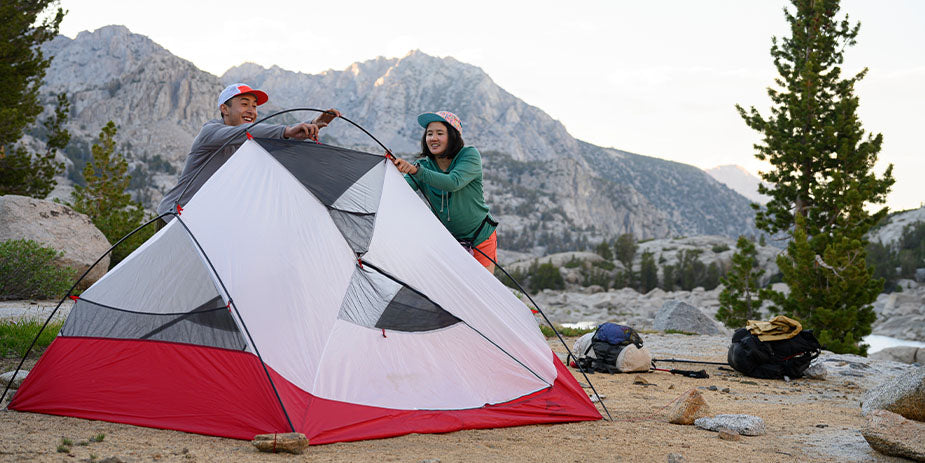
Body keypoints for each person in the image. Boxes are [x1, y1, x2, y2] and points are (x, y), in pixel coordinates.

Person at [156, 83, 340, 221]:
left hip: (204, 223)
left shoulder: (250, 139)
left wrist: (313, 124)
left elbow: (277, 140)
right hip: (174, 217)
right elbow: (247, 133)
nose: (251, 110)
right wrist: (286, 130)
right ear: (224, 109)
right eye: (244, 104)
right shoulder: (210, 132)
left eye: (254, 106)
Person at [392, 111, 498, 272]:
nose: (433, 138)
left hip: (480, 237)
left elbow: (453, 182)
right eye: (429, 133)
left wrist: (416, 171)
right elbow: (402, 190)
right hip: (446, 241)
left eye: (439, 133)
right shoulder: (424, 165)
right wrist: (390, 170)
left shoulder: (469, 155)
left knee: (481, 292)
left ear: (453, 136)